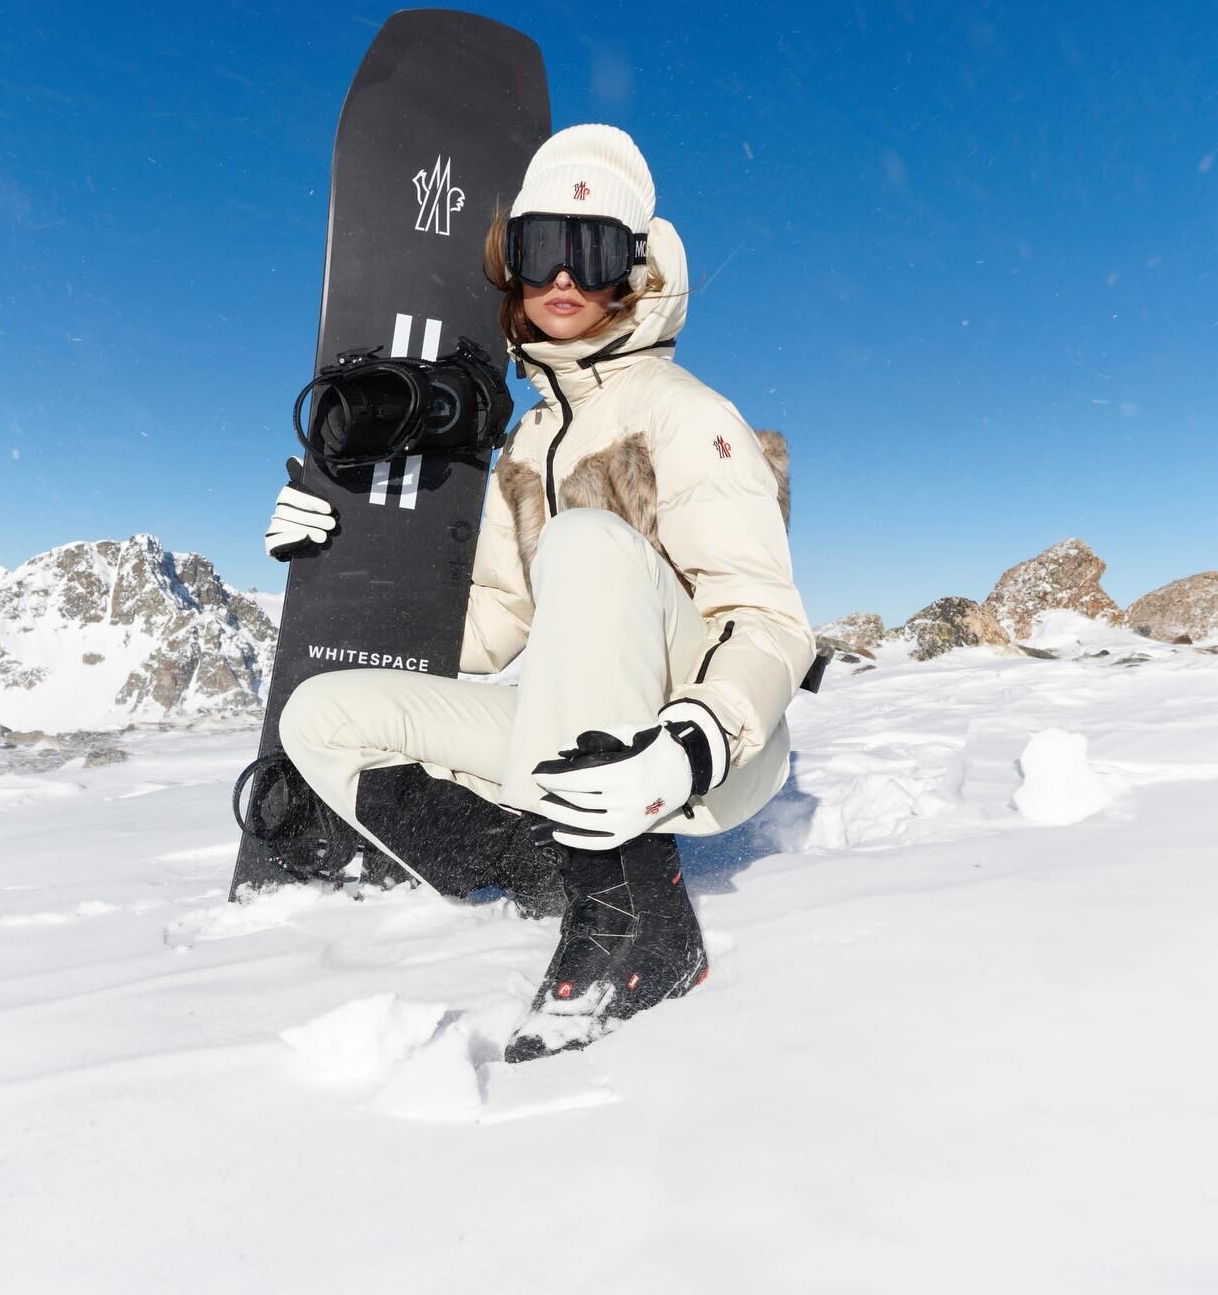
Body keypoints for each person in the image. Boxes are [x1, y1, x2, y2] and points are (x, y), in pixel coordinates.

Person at [263, 124, 814, 1061]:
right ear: (510, 266)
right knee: (320, 716)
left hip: (707, 750)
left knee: (587, 541)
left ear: (633, 270)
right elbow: (486, 630)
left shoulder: (686, 414)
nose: (562, 276)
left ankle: (638, 925)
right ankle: (543, 867)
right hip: (579, 735)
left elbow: (767, 621)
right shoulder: (526, 445)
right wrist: (336, 556)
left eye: (591, 251)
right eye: (539, 248)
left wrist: (692, 743)